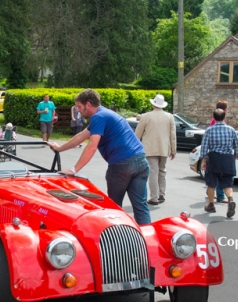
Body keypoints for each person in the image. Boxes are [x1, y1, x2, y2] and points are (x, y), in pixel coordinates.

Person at [48, 89, 151, 225]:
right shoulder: (105, 115)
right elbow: (80, 137)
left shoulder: (98, 117)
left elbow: (92, 145)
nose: (78, 110)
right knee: (140, 206)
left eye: (79, 107)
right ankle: (146, 241)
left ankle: (117, 242)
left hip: (122, 164)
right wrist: (59, 148)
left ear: (88, 104)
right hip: (141, 161)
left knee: (114, 208)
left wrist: (74, 169)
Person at [134, 94, 176, 205]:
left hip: (150, 148)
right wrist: (173, 150)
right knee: (162, 171)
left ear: (153, 104)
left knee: (153, 172)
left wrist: (134, 147)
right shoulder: (169, 117)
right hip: (164, 148)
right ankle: (162, 194)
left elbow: (138, 134)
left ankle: (154, 197)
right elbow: (173, 135)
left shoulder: (146, 116)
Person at [201, 108, 238, 218]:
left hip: (213, 158)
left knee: (211, 184)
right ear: (224, 117)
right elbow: (237, 147)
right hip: (227, 159)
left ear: (213, 118)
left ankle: (211, 205)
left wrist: (204, 160)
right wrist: (234, 158)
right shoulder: (231, 130)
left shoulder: (209, 130)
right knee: (227, 184)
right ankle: (230, 199)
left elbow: (204, 148)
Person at [210, 100, 230, 204]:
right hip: (219, 154)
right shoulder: (217, 122)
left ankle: (212, 193)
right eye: (227, 108)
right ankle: (220, 195)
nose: (228, 109)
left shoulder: (219, 120)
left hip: (216, 153)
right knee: (220, 175)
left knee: (216, 175)